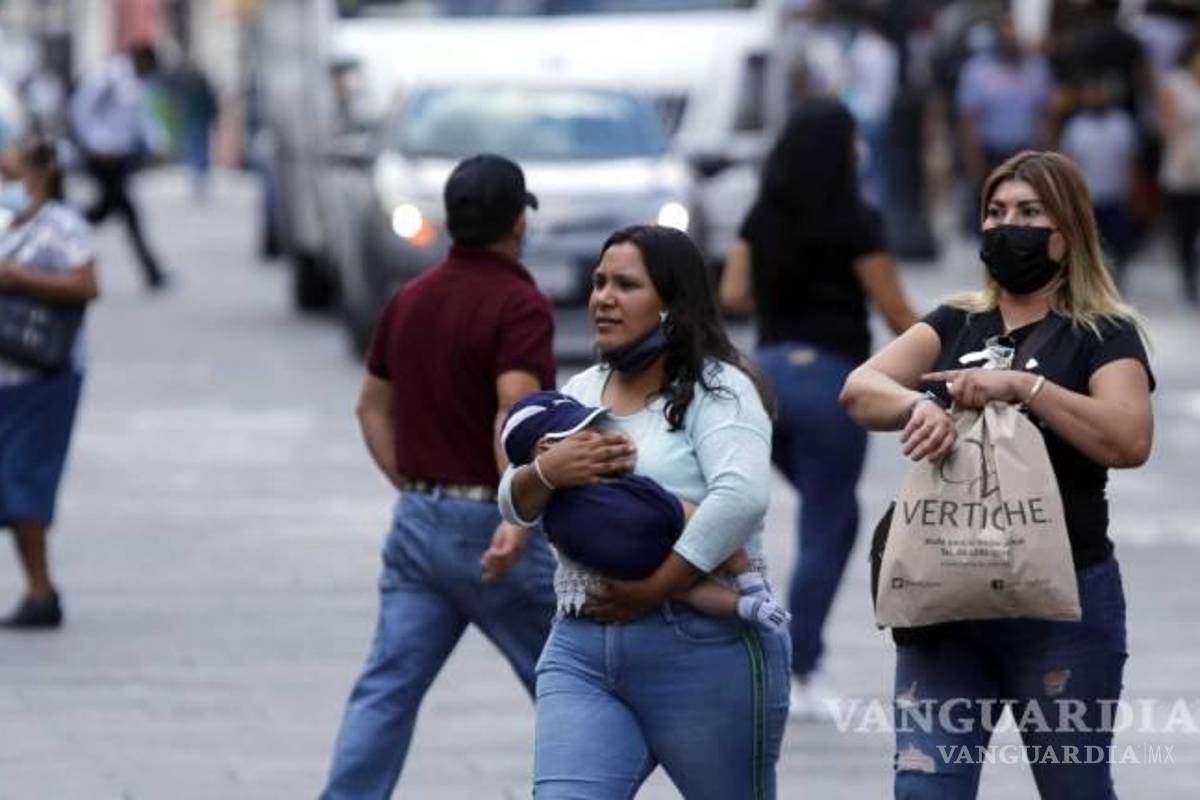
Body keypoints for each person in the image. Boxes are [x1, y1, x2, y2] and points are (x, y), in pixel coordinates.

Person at [840, 150, 1154, 798]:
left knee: (1075, 786)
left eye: (1030, 212)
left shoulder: (1102, 333)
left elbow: (1128, 438)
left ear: (1068, 232)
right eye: (996, 211)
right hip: (943, 591)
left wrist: (1021, 388)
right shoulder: (957, 321)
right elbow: (860, 390)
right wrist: (922, 406)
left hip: (1063, 596)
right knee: (926, 787)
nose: (1008, 225)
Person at [500, 224, 791, 799]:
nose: (603, 297)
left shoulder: (721, 390)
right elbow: (514, 503)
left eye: (625, 285)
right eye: (599, 282)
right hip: (581, 648)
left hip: (703, 648)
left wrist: (655, 588)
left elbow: (741, 498)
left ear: (671, 306)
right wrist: (547, 474)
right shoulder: (582, 390)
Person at [321, 154, 559, 798]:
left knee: (387, 688)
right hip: (492, 524)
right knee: (572, 683)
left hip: (421, 522)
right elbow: (513, 413)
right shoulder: (519, 303)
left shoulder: (410, 300)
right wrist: (514, 513)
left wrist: (414, 486)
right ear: (518, 222)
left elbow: (370, 406)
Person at [719, 97, 918, 721]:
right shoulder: (857, 219)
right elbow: (895, 311)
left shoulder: (763, 214)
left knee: (816, 513)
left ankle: (767, 648)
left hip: (768, 380)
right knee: (829, 523)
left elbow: (733, 294)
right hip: (834, 381)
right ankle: (799, 665)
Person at [501, 390, 790, 633]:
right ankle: (748, 602)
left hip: (652, 517)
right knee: (689, 584)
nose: (596, 434)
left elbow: (732, 509)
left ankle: (753, 593)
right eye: (582, 431)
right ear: (547, 446)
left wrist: (621, 460)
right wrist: (545, 474)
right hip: (625, 556)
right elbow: (512, 502)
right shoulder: (546, 492)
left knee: (707, 531)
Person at [0, 138, 99, 628]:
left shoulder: (62, 227)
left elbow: (87, 285)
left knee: (23, 483)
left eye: (10, 172)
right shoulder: (4, 220)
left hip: (43, 376)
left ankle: (41, 591)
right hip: (4, 375)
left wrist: (19, 279)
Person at [69, 44, 167, 290]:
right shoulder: (107, 76)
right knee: (127, 213)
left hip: (121, 157)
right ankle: (152, 272)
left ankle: (59, 230)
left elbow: (138, 119)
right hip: (102, 157)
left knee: (103, 211)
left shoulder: (134, 83)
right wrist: (97, 144)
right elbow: (82, 110)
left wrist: (155, 144)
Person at [955, 18, 1054, 234]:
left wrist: (1048, 154)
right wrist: (972, 156)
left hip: (1026, 151)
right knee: (993, 213)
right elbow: (969, 118)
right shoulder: (977, 71)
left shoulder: (1036, 69)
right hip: (992, 152)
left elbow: (1044, 115)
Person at [1059, 79, 1141, 284]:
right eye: (1091, 93)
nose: (1096, 97)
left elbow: (1131, 160)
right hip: (1088, 197)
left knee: (1120, 244)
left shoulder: (1122, 123)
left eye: (1100, 93)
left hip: (1116, 195)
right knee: (1087, 246)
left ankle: (1116, 281)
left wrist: (1134, 192)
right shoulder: (1076, 127)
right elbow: (1069, 164)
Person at [1156, 34, 1200, 305]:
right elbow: (1168, 124)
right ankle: (1188, 280)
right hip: (1183, 163)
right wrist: (1181, 153)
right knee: (1186, 227)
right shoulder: (1175, 83)